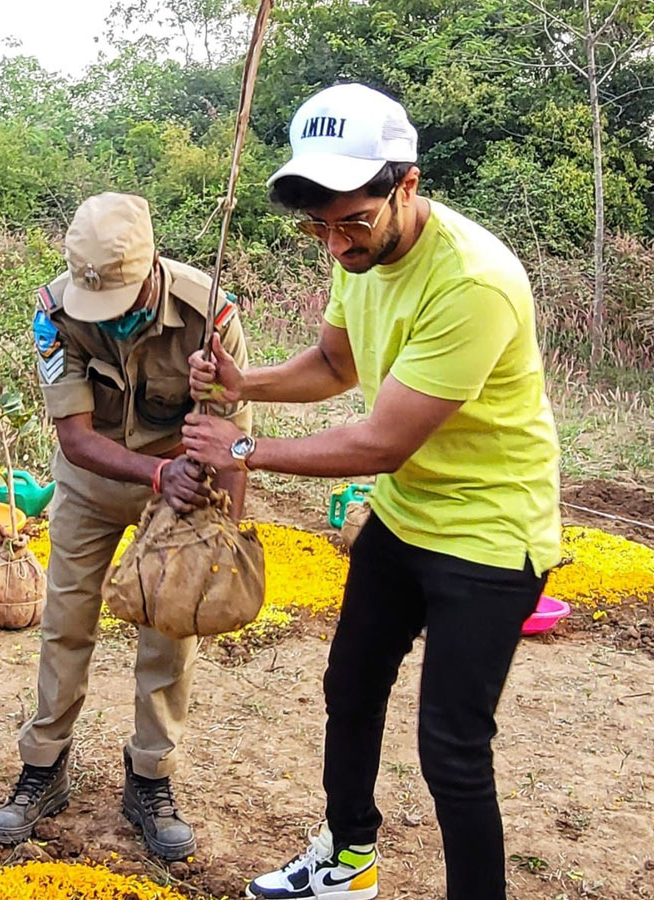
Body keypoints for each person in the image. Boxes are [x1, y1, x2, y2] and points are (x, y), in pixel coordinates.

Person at [181, 83, 560, 900]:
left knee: (453, 747)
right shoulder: (357, 254)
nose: (337, 242)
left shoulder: (473, 281)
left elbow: (383, 442)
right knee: (350, 684)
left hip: (491, 530)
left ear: (407, 185)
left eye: (353, 219)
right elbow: (333, 366)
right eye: (320, 226)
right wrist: (243, 382)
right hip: (408, 515)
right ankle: (347, 857)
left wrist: (244, 445)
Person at [0, 192, 253, 860]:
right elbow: (75, 438)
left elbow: (233, 433)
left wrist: (221, 532)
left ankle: (151, 778)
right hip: (92, 479)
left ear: (153, 265)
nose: (115, 318)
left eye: (126, 301)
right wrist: (154, 475)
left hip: (181, 486)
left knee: (170, 627)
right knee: (67, 619)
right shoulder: (56, 314)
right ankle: (44, 768)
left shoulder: (209, 315)